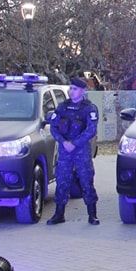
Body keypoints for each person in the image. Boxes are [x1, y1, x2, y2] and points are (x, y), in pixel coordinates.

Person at [47, 77, 100, 225]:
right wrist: (63, 142)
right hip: (65, 150)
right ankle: (59, 214)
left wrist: (75, 144)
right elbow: (53, 127)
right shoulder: (62, 107)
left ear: (83, 91)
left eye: (75, 89)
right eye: (71, 88)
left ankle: (92, 214)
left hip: (81, 150)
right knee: (62, 180)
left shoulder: (89, 108)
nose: (72, 91)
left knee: (86, 180)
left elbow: (91, 130)